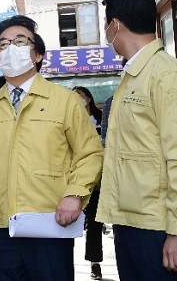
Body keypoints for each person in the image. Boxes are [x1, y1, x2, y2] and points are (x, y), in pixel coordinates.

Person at [0, 14, 103, 281]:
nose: (10, 48)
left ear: (37, 55)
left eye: (20, 42)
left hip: (50, 225)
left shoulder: (65, 101)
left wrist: (75, 195)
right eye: (3, 45)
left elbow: (90, 154)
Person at [96, 0, 177, 280]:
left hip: (157, 227)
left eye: (105, 25)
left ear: (114, 26)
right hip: (130, 221)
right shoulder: (133, 74)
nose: (106, 33)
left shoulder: (167, 74)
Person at [73, 86, 104, 280]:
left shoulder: (100, 117)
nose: (78, 99)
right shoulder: (69, 118)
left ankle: (95, 262)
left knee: (94, 223)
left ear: (88, 98)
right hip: (73, 180)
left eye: (81, 96)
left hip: (97, 180)